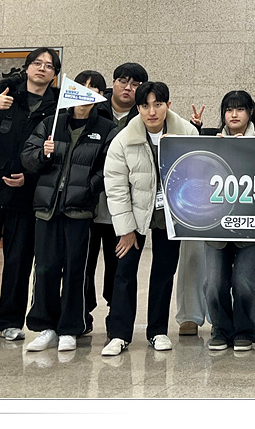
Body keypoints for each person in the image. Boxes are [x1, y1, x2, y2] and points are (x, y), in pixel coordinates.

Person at [0, 47, 60, 344]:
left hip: (25, 195)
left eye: (49, 66)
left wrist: (29, 178)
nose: (42, 68)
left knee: (19, 261)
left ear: (54, 75)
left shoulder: (57, 109)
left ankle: (10, 322)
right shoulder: (5, 94)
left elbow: (55, 156)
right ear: (27, 68)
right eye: (37, 63)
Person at [100, 81, 199, 356]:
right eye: (145, 105)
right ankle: (119, 335)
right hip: (134, 213)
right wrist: (125, 229)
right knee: (124, 271)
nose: (152, 112)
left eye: (158, 104)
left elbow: (197, 175)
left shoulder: (187, 133)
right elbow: (116, 187)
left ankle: (157, 331)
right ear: (138, 107)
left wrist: (187, 217)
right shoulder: (123, 139)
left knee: (163, 273)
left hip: (171, 215)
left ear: (168, 105)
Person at [21, 70, 117, 352]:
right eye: (81, 87)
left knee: (76, 270)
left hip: (80, 211)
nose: (85, 94)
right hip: (47, 209)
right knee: (45, 268)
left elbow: (108, 168)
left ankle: (70, 328)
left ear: (99, 96)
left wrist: (89, 187)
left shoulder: (106, 128)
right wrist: (43, 153)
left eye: (93, 89)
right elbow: (28, 156)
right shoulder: (52, 123)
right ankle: (45, 326)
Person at [202, 90, 255, 352]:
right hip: (216, 227)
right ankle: (220, 329)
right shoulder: (210, 144)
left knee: (244, 281)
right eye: (229, 110)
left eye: (240, 109)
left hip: (252, 227)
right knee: (214, 282)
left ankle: (245, 331)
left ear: (250, 112)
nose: (234, 114)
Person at [87, 62, 148, 336]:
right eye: (123, 81)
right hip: (89, 204)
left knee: (119, 270)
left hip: (124, 211)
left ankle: (117, 323)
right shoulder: (93, 109)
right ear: (113, 83)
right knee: (83, 267)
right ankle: (82, 316)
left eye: (135, 84)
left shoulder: (144, 116)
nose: (128, 88)